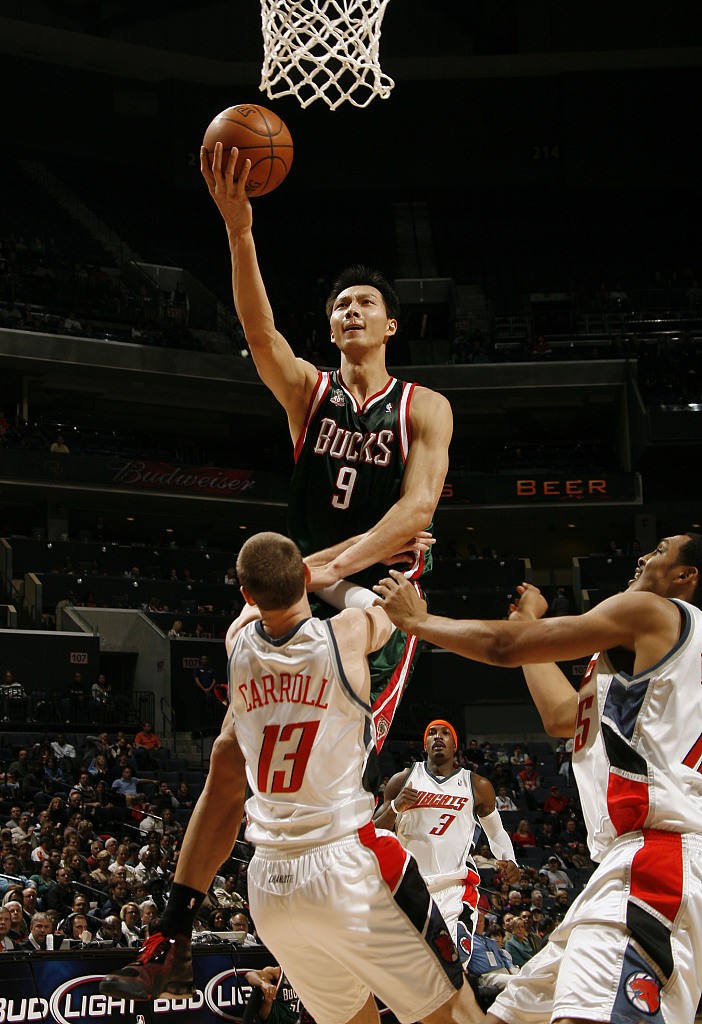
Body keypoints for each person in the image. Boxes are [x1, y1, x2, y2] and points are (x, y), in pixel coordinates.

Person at [101, 532, 483, 1024]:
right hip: (347, 865)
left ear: (246, 594)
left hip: (270, 888)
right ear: (304, 575)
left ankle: (168, 936)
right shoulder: (345, 634)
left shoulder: (237, 644)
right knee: (459, 1015)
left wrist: (318, 568)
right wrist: (369, 557)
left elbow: (271, 589)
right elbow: (394, 609)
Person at [375, 532, 702, 1024]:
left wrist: (418, 621)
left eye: (659, 551)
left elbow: (505, 648)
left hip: (660, 859)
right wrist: (527, 621)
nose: (641, 556)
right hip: (629, 862)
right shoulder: (664, 654)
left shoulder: (651, 611)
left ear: (685, 576)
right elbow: (561, 715)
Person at [199, 147, 452, 751]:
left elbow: (418, 510)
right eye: (341, 305)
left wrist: (335, 566)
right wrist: (240, 230)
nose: (352, 310)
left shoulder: (424, 405)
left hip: (381, 582)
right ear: (331, 328)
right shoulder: (307, 392)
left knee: (349, 742)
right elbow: (260, 332)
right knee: (238, 730)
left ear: (391, 325)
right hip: (307, 574)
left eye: (366, 303)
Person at [374, 718, 519, 958]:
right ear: (425, 745)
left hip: (454, 891)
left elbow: (496, 832)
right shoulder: (403, 779)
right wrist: (394, 808)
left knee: (450, 968)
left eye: (445, 733)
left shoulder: (477, 785)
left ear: (455, 746)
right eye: (432, 733)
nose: (438, 737)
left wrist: (510, 860)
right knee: (404, 969)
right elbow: (374, 835)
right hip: (407, 888)